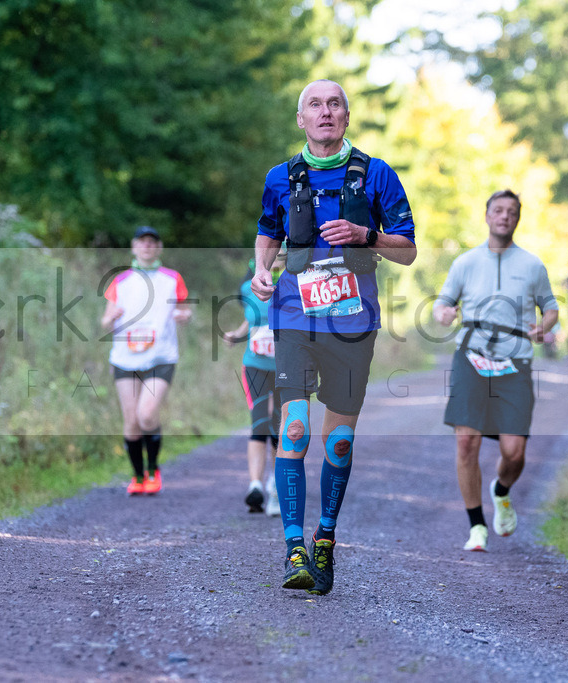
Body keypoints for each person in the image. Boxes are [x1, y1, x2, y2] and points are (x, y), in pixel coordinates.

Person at [251, 79, 417, 594]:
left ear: (346, 117)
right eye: (315, 105)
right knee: (295, 429)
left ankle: (326, 537)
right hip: (294, 317)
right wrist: (260, 269)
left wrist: (365, 235)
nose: (325, 112)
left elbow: (408, 249)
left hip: (353, 320)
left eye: (334, 104)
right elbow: (267, 231)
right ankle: (294, 549)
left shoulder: (378, 174)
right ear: (301, 119)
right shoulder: (280, 177)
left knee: (339, 440)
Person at [433, 190, 559, 552]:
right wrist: (442, 313)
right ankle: (477, 527)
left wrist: (544, 325)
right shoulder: (465, 262)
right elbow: (443, 304)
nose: (504, 216)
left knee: (514, 451)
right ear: (486, 216)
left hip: (515, 360)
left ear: (518, 219)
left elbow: (551, 308)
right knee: (466, 441)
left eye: (512, 212)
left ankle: (501, 492)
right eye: (498, 210)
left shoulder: (533, 265)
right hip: (471, 354)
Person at [100, 226, 192, 495]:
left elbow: (185, 311)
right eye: (142, 242)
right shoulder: (120, 280)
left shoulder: (172, 278)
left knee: (147, 414)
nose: (147, 246)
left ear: (159, 248)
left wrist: (184, 316)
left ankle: (153, 470)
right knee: (131, 420)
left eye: (153, 242)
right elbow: (105, 322)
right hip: (124, 357)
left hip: (160, 356)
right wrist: (111, 317)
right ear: (133, 247)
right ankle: (138, 477)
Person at [223, 249, 287, 516]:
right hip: (255, 365)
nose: (279, 255)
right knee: (259, 422)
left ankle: (276, 483)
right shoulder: (247, 287)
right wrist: (236, 334)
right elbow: (253, 318)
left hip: (286, 367)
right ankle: (255, 486)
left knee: (279, 424)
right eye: (276, 251)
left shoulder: (295, 284)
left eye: (284, 251)